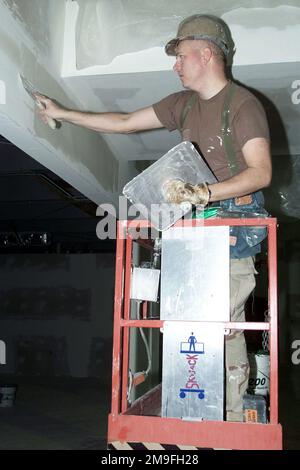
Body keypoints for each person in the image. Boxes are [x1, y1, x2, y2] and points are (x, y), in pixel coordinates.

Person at [37, 14, 272, 422]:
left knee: (223, 323)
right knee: (184, 319)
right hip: (195, 226)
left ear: (206, 53)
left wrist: (203, 192)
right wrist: (64, 112)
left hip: (234, 225)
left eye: (181, 56)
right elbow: (126, 123)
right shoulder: (182, 105)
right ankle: (191, 406)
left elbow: (261, 172)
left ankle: (232, 418)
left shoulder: (242, 104)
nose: (175, 65)